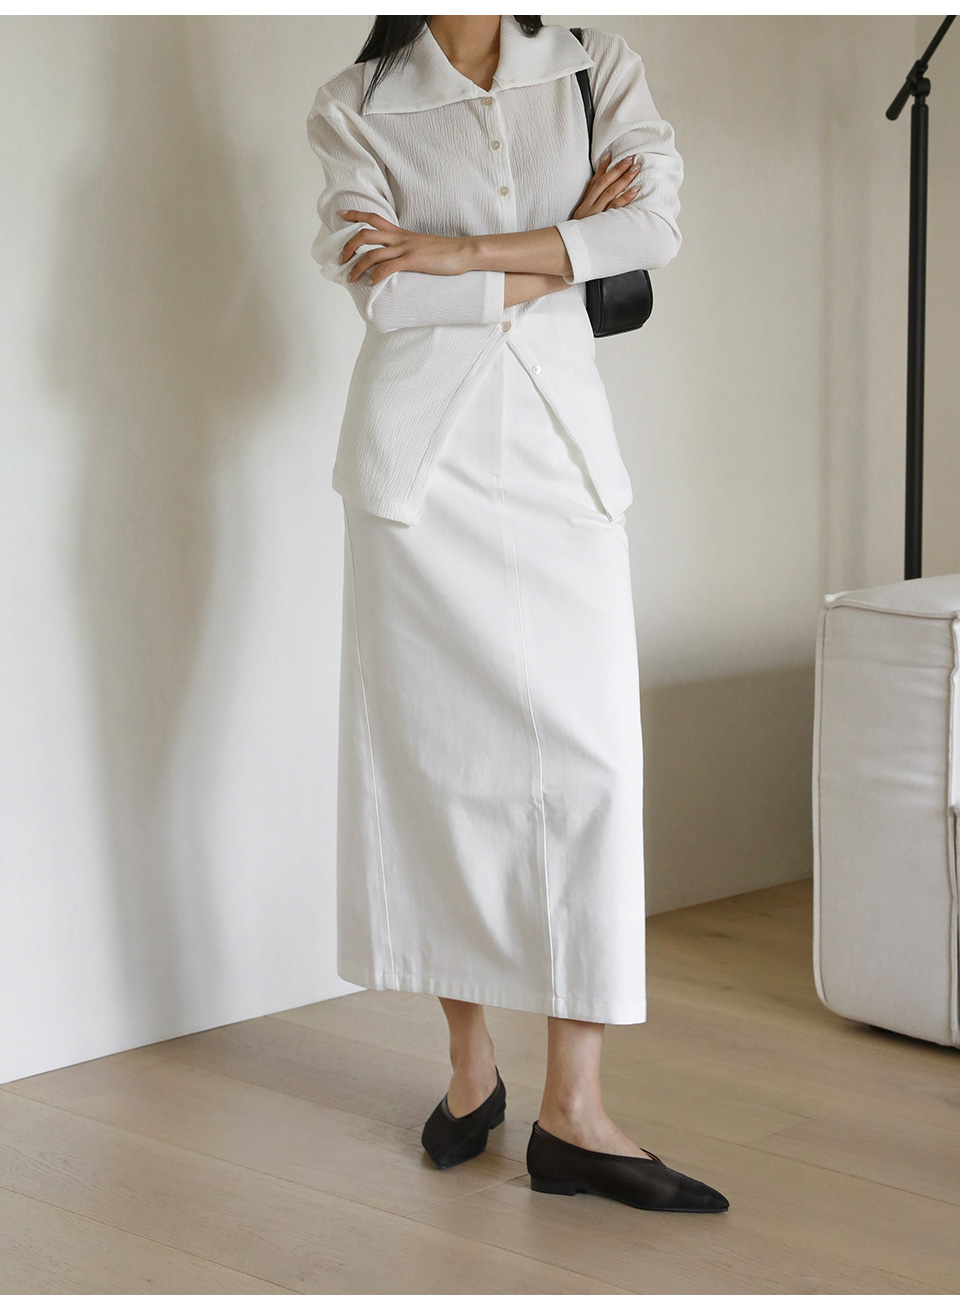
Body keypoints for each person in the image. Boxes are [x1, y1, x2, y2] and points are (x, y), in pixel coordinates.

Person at [306, 14, 728, 1214]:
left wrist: (455, 253)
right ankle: (470, 1067)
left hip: (560, 454)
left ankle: (573, 1111)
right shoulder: (355, 101)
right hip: (418, 475)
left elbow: (652, 229)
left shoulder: (594, 64)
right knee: (441, 767)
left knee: (591, 764)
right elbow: (385, 295)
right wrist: (561, 249)